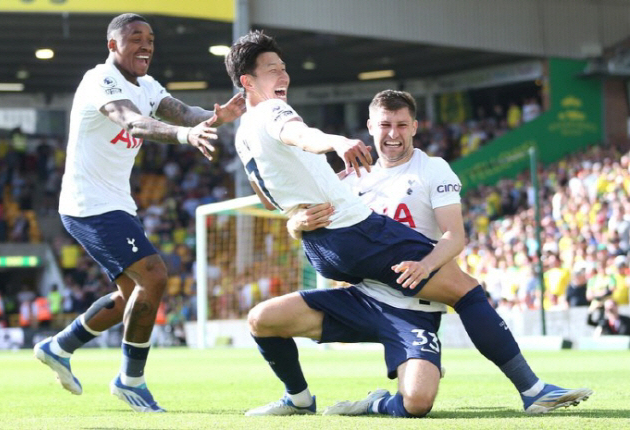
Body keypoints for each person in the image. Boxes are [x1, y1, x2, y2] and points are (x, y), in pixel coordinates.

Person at [222, 34, 592, 416]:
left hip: (394, 290)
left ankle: (340, 401)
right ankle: (532, 389)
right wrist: (319, 173)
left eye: (401, 125)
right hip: (360, 266)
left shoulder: (429, 169)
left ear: (415, 127)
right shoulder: (327, 155)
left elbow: (455, 236)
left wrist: (425, 264)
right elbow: (299, 134)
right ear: (370, 126)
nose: (393, 133)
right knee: (466, 291)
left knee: (413, 400)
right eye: (385, 125)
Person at [33, 13, 245, 413]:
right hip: (87, 204)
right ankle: (131, 381)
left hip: (115, 203)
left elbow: (182, 112)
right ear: (113, 45)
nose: (146, 44)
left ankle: (58, 347)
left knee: (133, 294)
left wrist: (218, 117)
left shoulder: (147, 85)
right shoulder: (99, 80)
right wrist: (185, 135)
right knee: (155, 275)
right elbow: (131, 121)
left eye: (150, 38)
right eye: (135, 38)